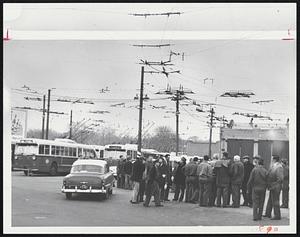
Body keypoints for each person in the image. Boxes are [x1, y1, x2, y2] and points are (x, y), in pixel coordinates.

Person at [263, 155, 284, 220]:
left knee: (275, 201)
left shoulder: (279, 167)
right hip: (272, 186)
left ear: (274, 159)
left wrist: (273, 185)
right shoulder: (274, 166)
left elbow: (280, 178)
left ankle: (277, 215)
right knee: (270, 200)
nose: (271, 160)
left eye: (272, 158)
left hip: (276, 186)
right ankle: (268, 213)